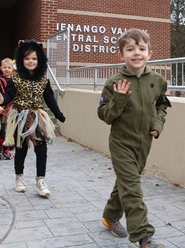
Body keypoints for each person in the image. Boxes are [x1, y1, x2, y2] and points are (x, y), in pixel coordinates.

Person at [97, 28, 171, 248]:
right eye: (130, 49)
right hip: (121, 144)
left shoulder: (157, 80)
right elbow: (105, 116)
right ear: (121, 55)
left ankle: (110, 216)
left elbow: (162, 105)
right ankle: (143, 236)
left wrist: (157, 125)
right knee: (132, 189)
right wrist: (118, 99)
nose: (136, 53)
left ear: (150, 53)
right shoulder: (114, 82)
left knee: (125, 185)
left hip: (143, 144)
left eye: (141, 48)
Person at [0, 39, 66, 198]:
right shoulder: (15, 79)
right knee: (21, 148)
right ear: (21, 60)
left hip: (37, 116)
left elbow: (50, 99)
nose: (31, 61)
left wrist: (59, 114)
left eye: (34, 58)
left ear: (39, 60)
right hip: (20, 116)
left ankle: (40, 180)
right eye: (27, 58)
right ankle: (19, 177)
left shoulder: (43, 80)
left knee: (42, 148)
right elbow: (8, 95)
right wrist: (1, 101)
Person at [0, 58, 14, 160]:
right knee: (4, 128)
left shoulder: (15, 81)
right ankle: (1, 148)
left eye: (9, 67)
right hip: (2, 108)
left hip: (12, 108)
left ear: (12, 69)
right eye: (5, 67)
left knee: (10, 129)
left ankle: (6, 149)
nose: (7, 69)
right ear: (1, 68)